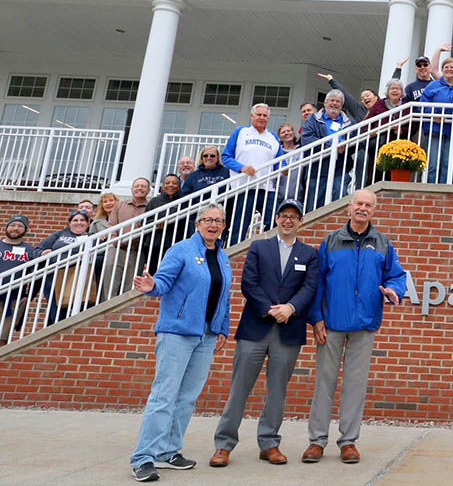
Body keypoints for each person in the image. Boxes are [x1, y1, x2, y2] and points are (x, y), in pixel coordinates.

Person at [210, 199, 319, 468]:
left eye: (294, 216)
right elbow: (249, 283)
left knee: (277, 391)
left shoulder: (309, 254)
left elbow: (310, 288)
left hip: (288, 331)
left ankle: (269, 443)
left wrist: (291, 308)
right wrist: (270, 309)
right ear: (277, 218)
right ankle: (223, 445)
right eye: (284, 215)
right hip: (255, 328)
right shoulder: (259, 247)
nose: (288, 220)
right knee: (239, 389)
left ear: (300, 221)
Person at [129, 203, 231, 483]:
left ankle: (168, 451)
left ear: (223, 226)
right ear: (197, 224)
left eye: (218, 221)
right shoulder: (181, 250)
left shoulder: (222, 256)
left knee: (187, 398)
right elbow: (162, 282)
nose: (213, 225)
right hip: (176, 333)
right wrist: (152, 287)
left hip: (206, 337)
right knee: (164, 396)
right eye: (208, 220)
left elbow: (224, 296)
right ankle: (143, 457)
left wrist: (222, 328)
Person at [304, 189, 407, 464]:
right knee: (324, 383)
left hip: (365, 324)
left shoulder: (383, 243)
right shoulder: (331, 241)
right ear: (349, 207)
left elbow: (396, 275)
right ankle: (316, 441)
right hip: (332, 323)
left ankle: (348, 442)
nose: (363, 208)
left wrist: (395, 290)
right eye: (359, 203)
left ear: (374, 210)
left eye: (368, 205)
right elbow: (318, 283)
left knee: (355, 384)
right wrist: (316, 318)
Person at [221, 103, 283, 245]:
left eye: (265, 116)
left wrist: (283, 168)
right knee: (240, 226)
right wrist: (241, 168)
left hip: (266, 187)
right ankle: (232, 256)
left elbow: (279, 161)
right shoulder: (240, 132)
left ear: (268, 118)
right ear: (251, 116)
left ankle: (268, 250)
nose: (261, 118)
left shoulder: (273, 137)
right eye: (259, 115)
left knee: (274, 221)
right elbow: (226, 157)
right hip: (243, 187)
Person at [301, 90, 356, 211]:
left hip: (341, 167)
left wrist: (346, 143)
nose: (335, 103)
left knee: (340, 196)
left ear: (341, 106)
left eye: (338, 102)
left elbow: (357, 140)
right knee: (314, 204)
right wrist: (329, 147)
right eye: (332, 100)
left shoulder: (350, 122)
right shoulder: (313, 119)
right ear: (325, 103)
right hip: (317, 168)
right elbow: (307, 140)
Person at [36, 209, 92, 323]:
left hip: (79, 278)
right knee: (55, 310)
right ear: (69, 223)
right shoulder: (59, 234)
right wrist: (42, 254)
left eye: (82, 220)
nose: (79, 222)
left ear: (88, 223)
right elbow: (37, 250)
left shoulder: (92, 238)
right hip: (55, 276)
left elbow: (100, 257)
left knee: (78, 310)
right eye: (75, 220)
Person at [105, 177, 152, 297]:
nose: (139, 188)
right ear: (132, 189)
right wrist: (114, 238)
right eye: (137, 186)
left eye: (143, 186)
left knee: (130, 286)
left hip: (137, 251)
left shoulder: (151, 207)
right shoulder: (119, 205)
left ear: (148, 190)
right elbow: (112, 225)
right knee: (110, 284)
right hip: (117, 249)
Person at [419, 57, 453, 184]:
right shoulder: (433, 85)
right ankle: (430, 190)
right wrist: (434, 115)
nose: (449, 69)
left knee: (447, 165)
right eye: (446, 67)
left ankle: (443, 193)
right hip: (434, 129)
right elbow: (422, 105)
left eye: (452, 67)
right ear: (442, 70)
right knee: (432, 164)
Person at [1, 215, 38, 342]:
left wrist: (29, 295)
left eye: (20, 226)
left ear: (25, 230)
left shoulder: (31, 251)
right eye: (12, 225)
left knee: (3, 337)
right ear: (6, 227)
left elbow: (36, 276)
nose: (15, 228)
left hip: (14, 299)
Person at [144, 174, 185, 273]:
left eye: (174, 183)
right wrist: (156, 222)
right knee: (154, 275)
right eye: (167, 183)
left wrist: (166, 219)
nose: (170, 185)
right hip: (154, 246)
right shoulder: (154, 201)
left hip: (174, 245)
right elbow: (144, 222)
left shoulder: (183, 201)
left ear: (179, 186)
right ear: (163, 186)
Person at [275, 122, 304, 203]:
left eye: (288, 131)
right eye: (283, 132)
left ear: (294, 134)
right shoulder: (277, 153)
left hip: (299, 196)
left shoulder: (302, 151)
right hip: (279, 197)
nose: (286, 133)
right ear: (280, 138)